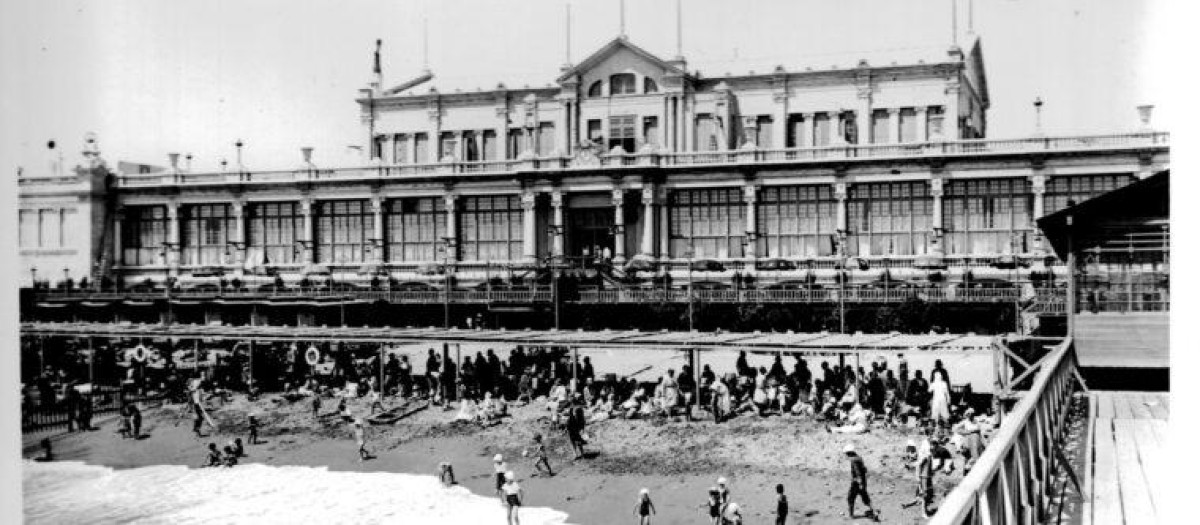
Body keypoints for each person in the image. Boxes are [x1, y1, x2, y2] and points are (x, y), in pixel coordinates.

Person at [843, 444, 880, 521]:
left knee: (850, 498)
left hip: (856, 483)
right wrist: (862, 483)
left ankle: (851, 515)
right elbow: (864, 470)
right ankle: (874, 511)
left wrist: (859, 483)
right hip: (863, 481)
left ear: (848, 453)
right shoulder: (859, 458)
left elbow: (858, 472)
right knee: (865, 498)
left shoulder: (853, 461)